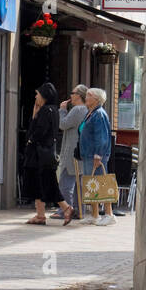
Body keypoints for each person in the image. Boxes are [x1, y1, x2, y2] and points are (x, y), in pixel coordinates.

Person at [22, 82, 76, 226]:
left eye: (37, 94)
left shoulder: (45, 111)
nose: (36, 97)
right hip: (47, 154)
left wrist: (33, 121)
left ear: (44, 96)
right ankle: (41, 215)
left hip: (40, 155)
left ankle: (66, 208)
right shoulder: (54, 110)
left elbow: (39, 131)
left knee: (47, 184)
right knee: (41, 184)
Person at [78, 87, 114, 225]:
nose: (86, 97)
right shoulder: (90, 113)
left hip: (96, 155)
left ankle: (109, 214)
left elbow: (102, 136)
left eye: (89, 95)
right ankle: (95, 214)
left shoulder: (99, 114)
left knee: (101, 183)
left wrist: (98, 155)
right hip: (88, 154)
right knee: (91, 184)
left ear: (96, 99)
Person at [54, 86, 90, 218]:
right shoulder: (87, 110)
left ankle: (65, 211)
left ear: (78, 95)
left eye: (72, 93)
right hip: (81, 151)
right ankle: (79, 211)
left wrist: (62, 110)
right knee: (79, 184)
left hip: (71, 152)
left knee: (65, 182)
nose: (70, 95)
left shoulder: (77, 109)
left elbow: (63, 124)